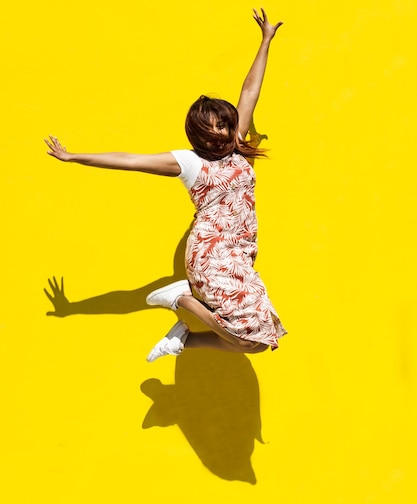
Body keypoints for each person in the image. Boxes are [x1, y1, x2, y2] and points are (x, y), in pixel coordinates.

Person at [45, 8, 287, 362]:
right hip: (212, 256)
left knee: (259, 342)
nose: (221, 132)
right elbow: (130, 160)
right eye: (212, 127)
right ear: (198, 133)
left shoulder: (235, 144)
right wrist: (74, 156)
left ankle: (183, 341)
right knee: (249, 334)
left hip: (241, 255)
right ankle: (181, 299)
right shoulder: (190, 163)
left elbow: (250, 91)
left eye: (224, 124)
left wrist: (265, 41)